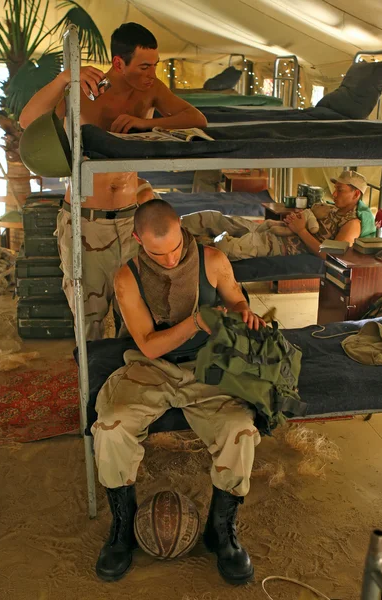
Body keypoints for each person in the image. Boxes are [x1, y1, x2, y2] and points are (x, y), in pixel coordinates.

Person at [91, 199, 265, 585]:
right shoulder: (127, 277)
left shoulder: (213, 260)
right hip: (150, 366)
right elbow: (151, 345)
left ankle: (221, 530)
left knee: (240, 429)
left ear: (183, 233)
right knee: (110, 427)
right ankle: (122, 528)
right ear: (137, 239)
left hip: (207, 365)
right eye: (157, 253)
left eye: (175, 248)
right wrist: (196, 321)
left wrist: (241, 312)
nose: (170, 260)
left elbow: (235, 299)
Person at [19, 23, 207, 340]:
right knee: (88, 321)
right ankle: (92, 386)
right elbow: (28, 120)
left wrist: (145, 121)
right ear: (119, 63)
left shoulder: (151, 90)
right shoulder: (82, 90)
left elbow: (196, 119)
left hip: (131, 222)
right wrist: (66, 78)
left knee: (138, 315)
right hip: (87, 221)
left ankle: (126, 383)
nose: (152, 73)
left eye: (155, 65)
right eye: (144, 66)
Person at [181, 170, 375, 260]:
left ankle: (180, 247)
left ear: (356, 194)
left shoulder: (352, 225)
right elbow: (308, 218)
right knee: (212, 217)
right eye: (335, 189)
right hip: (268, 229)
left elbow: (331, 256)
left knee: (223, 245)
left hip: (278, 245)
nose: (334, 194)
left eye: (340, 190)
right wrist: (296, 220)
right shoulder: (331, 208)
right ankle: (174, 228)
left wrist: (300, 231)